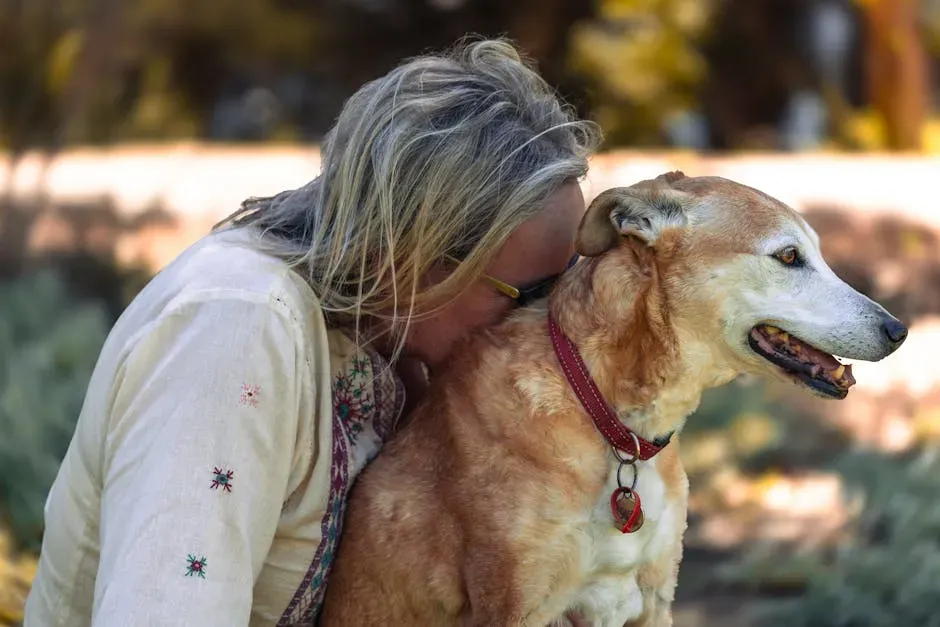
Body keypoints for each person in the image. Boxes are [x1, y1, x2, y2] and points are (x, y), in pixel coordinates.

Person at [24, 37, 601, 626]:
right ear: (411, 251)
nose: (555, 326)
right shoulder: (236, 329)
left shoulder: (392, 340)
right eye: (531, 296)